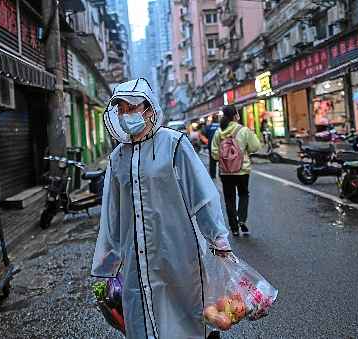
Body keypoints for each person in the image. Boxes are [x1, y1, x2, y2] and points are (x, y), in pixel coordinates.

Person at [91, 78, 232, 339]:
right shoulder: (117, 158)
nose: (125, 115)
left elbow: (200, 195)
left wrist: (218, 237)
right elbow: (112, 215)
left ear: (148, 109)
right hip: (135, 258)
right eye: (121, 109)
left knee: (183, 316)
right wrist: (109, 263)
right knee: (140, 317)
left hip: (177, 252)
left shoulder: (174, 144)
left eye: (132, 108)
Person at [211, 105, 261, 237]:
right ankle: (242, 219)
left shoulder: (218, 132)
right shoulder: (244, 130)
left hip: (225, 172)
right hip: (242, 170)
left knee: (229, 198)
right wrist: (244, 153)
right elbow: (256, 146)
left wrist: (224, 159)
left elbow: (214, 154)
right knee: (244, 194)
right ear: (236, 115)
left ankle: (233, 228)